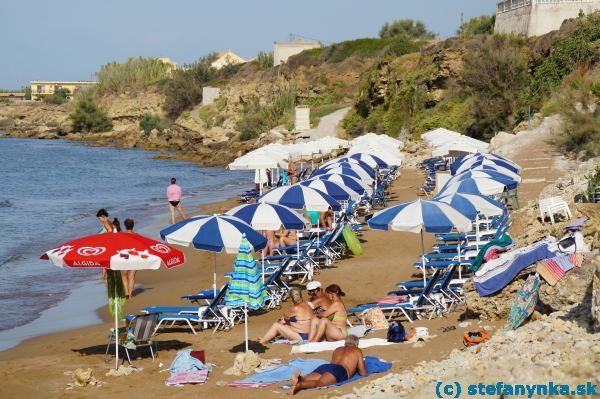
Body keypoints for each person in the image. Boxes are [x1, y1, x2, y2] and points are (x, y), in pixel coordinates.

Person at [288, 335, 366, 394]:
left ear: (345, 342)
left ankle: (300, 379)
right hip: (339, 370)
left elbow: (333, 363)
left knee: (306, 379)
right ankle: (299, 385)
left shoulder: (338, 349)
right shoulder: (357, 350)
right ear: (356, 344)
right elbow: (362, 372)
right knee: (320, 383)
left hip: (326, 366)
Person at [96, 209, 115, 283]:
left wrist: (103, 236)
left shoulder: (106, 222)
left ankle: (104, 278)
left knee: (105, 261)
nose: (99, 220)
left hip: (108, 244)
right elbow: (115, 230)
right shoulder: (110, 221)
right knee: (106, 262)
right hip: (111, 244)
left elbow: (110, 231)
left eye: (99, 218)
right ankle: (103, 277)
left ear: (103, 216)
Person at [121, 218, 137, 299]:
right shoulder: (136, 235)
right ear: (133, 226)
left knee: (124, 275)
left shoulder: (122, 235)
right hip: (134, 257)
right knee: (132, 277)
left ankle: (126, 292)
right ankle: (130, 294)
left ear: (125, 226)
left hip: (125, 257)